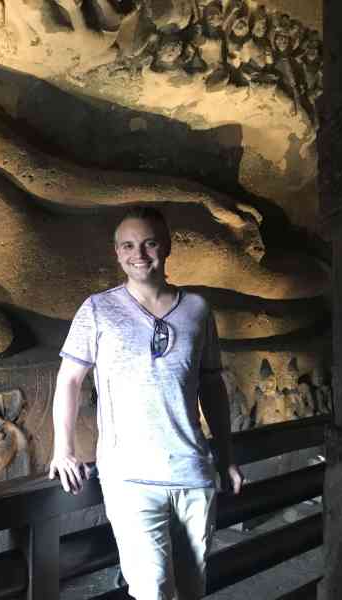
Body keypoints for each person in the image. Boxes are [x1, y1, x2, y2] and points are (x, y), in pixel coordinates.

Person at [49, 206, 244, 600]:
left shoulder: (197, 310)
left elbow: (211, 386)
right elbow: (69, 379)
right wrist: (62, 449)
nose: (139, 254)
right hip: (130, 477)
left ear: (167, 246)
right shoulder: (97, 310)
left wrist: (226, 457)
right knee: (152, 588)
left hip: (192, 470)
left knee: (192, 586)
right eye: (128, 246)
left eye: (149, 243)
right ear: (117, 253)